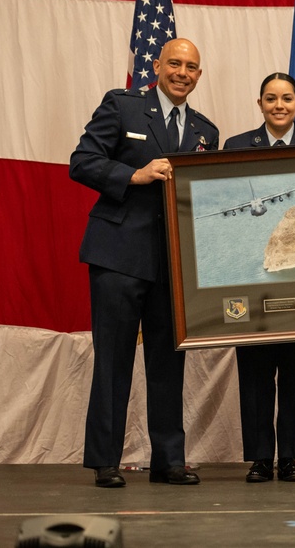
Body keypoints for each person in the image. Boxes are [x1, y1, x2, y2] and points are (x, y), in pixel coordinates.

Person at [70, 38, 218, 487]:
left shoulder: (206, 131)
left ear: (198, 75)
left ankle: (169, 460)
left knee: (169, 363)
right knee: (112, 361)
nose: (182, 72)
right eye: (174, 63)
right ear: (156, 65)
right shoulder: (122, 105)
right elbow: (82, 162)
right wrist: (133, 175)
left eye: (191, 67)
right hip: (117, 254)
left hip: (172, 265)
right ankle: (106, 461)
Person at [222, 72, 295, 483]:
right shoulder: (235, 147)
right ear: (259, 103)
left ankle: (290, 458)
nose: (279, 105)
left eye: (286, 98)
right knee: (256, 371)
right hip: (251, 275)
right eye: (270, 98)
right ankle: (261, 457)